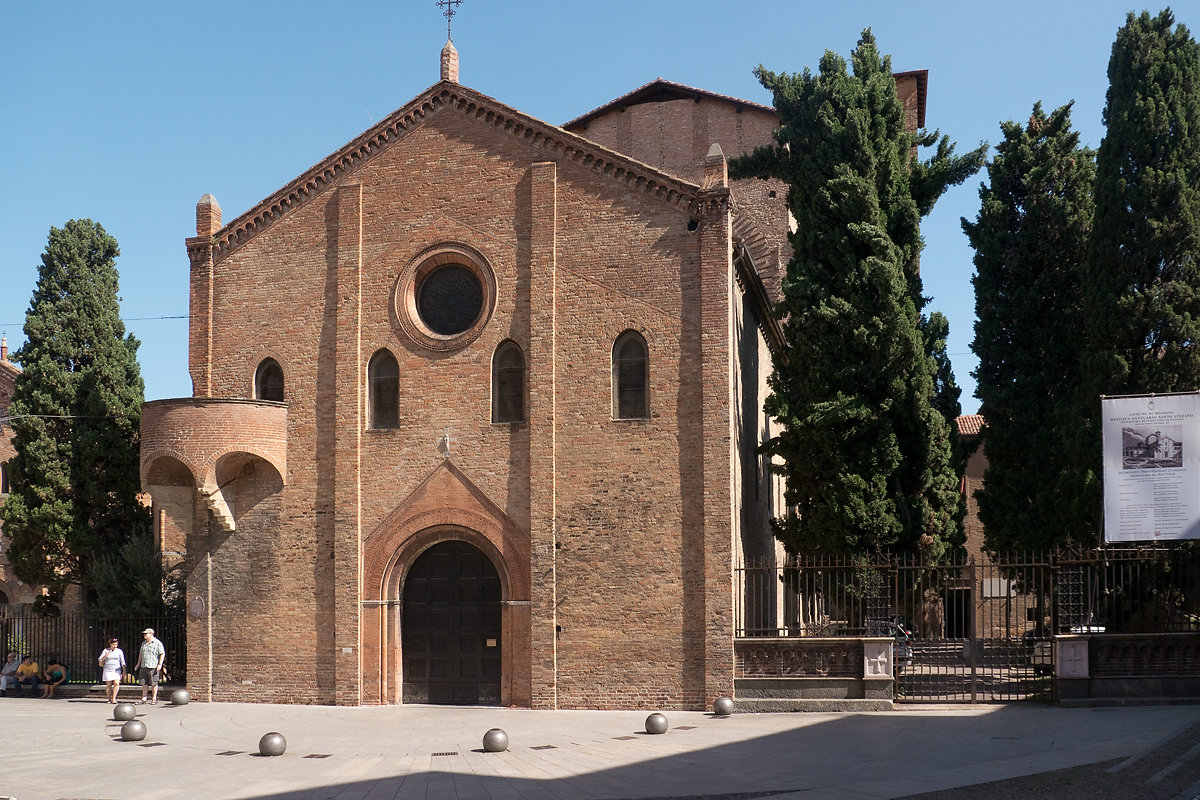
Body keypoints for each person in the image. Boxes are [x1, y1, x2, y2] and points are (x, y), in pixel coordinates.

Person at [134, 628, 165, 704]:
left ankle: (154, 698)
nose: (144, 635)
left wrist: (160, 664)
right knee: (144, 683)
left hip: (153, 666)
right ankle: (144, 698)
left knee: (154, 683)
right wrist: (138, 664)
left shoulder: (157, 643)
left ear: (151, 634)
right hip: (144, 665)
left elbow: (162, 653)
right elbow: (141, 654)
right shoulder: (144, 643)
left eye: (146, 634)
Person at [98, 638, 126, 704]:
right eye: (113, 644)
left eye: (116, 644)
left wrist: (124, 670)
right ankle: (109, 698)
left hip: (116, 670)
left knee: (116, 683)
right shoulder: (106, 650)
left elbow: (122, 661)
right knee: (109, 685)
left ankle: (114, 698)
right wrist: (105, 656)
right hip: (108, 669)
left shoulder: (119, 651)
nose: (115, 646)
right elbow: (100, 659)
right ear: (110, 644)